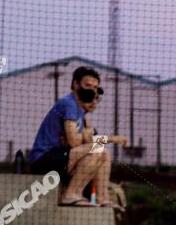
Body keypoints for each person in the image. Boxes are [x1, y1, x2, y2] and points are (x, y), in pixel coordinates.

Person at [29, 66, 126, 208]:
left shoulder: (81, 112)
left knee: (104, 154)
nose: (91, 91)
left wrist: (104, 138)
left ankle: (102, 198)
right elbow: (75, 142)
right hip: (44, 159)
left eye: (94, 87)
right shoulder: (69, 104)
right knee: (100, 151)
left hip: (63, 158)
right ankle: (70, 195)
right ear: (75, 84)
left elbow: (86, 142)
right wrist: (93, 137)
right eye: (87, 85)